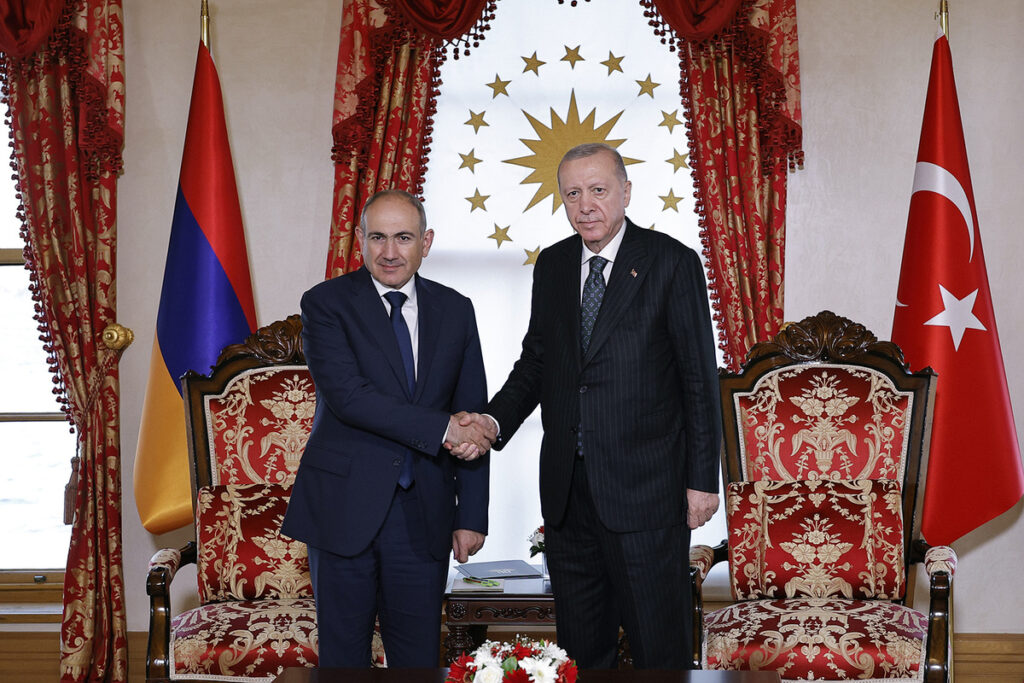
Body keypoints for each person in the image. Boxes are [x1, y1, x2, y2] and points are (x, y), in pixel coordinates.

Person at [459, 143, 722, 669]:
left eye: (598, 190)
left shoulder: (671, 262)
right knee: (582, 656)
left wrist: (701, 481)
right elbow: (537, 363)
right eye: (573, 194)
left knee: (659, 653)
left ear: (626, 192)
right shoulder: (554, 265)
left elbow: (699, 379)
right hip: (567, 496)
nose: (586, 206)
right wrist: (488, 421)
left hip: (647, 494)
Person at [282, 189, 493, 668]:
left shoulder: (456, 310)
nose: (390, 252)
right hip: (343, 510)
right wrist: (444, 429)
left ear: (426, 241)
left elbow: (472, 415)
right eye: (377, 237)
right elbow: (350, 397)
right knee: (343, 661)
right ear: (359, 240)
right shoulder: (325, 303)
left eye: (403, 237)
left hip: (425, 513)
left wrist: (471, 513)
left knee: (418, 659)